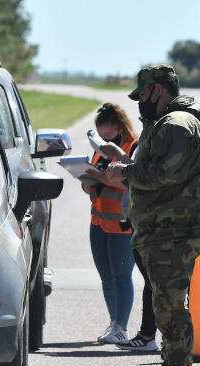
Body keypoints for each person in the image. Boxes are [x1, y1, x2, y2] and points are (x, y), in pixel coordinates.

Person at [105, 65, 200, 366]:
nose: (141, 101)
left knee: (172, 309)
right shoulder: (162, 123)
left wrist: (124, 172)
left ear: (159, 89)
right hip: (162, 230)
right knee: (167, 307)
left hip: (173, 231)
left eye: (144, 94)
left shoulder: (176, 124)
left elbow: (165, 174)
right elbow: (157, 168)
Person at [97, 118, 161, 353]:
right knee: (149, 283)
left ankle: (148, 336)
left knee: (153, 283)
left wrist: (117, 157)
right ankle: (145, 335)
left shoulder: (155, 138)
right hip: (134, 218)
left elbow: (142, 173)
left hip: (143, 221)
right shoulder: (148, 138)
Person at [80, 103, 138, 345]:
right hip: (99, 221)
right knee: (106, 277)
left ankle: (121, 326)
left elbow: (133, 184)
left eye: (108, 130)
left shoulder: (133, 148)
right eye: (101, 131)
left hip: (123, 224)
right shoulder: (99, 149)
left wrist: (105, 178)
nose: (104, 135)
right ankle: (114, 323)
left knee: (121, 275)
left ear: (120, 126)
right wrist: (86, 178)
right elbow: (90, 186)